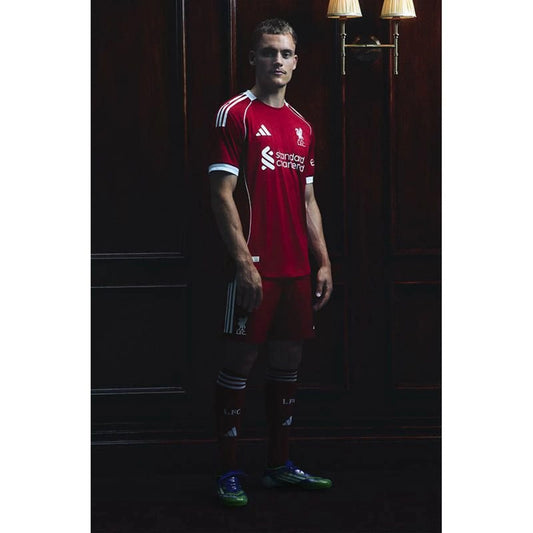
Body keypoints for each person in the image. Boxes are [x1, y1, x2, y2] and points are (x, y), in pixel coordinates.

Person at [208, 18, 333, 507]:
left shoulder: (302, 127)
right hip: (254, 267)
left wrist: (323, 262)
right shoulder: (235, 114)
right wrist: (243, 263)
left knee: (288, 362)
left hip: (295, 269)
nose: (276, 60)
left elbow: (308, 200)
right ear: (253, 59)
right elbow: (221, 195)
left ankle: (279, 465)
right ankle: (227, 472)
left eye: (284, 53)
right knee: (239, 362)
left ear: (296, 62)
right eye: (267, 52)